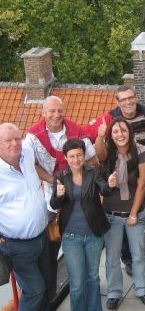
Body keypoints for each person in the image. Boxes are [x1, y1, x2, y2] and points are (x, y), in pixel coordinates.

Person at [85, 85, 145, 281]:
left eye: (131, 98)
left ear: (135, 97)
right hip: (120, 184)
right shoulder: (108, 119)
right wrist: (99, 135)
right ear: (117, 102)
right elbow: (85, 134)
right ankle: (129, 261)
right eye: (123, 99)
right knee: (121, 225)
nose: (128, 102)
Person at [0, 123, 63, 311]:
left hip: (42, 236)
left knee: (47, 286)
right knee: (35, 288)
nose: (15, 144)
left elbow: (43, 132)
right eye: (8, 141)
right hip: (16, 245)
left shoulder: (26, 151)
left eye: (17, 138)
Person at [25, 96, 97, 300]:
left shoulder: (77, 130)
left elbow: (92, 160)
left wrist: (78, 180)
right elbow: (30, 164)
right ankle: (49, 297)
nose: (56, 115)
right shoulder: (32, 136)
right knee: (50, 252)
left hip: (79, 199)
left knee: (85, 245)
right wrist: (54, 180)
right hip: (50, 201)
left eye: (59, 110)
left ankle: (87, 288)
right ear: (43, 113)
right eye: (51, 111)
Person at [50, 139, 111, 311]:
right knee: (76, 282)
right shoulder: (60, 176)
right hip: (71, 236)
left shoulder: (93, 172)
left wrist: (110, 184)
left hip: (93, 234)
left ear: (84, 155)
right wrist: (59, 195)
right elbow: (54, 204)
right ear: (65, 158)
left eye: (79, 155)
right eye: (72, 156)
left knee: (92, 277)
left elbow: (105, 189)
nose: (76, 160)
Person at [101, 117, 145, 309]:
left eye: (123, 130)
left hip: (135, 213)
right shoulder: (107, 152)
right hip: (111, 214)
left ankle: (142, 289)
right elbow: (97, 153)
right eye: (115, 131)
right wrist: (99, 136)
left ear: (130, 132)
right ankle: (114, 292)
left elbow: (142, 186)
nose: (120, 134)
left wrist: (133, 214)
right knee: (112, 257)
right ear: (110, 135)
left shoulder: (141, 151)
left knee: (138, 254)